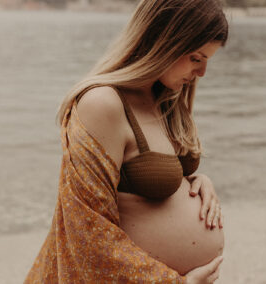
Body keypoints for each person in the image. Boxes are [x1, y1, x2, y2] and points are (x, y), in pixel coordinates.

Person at [24, 0, 228, 283]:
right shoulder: (102, 103)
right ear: (162, 41)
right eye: (196, 58)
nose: (202, 73)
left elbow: (149, 185)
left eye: (207, 60)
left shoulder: (164, 98)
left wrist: (195, 181)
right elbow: (86, 229)